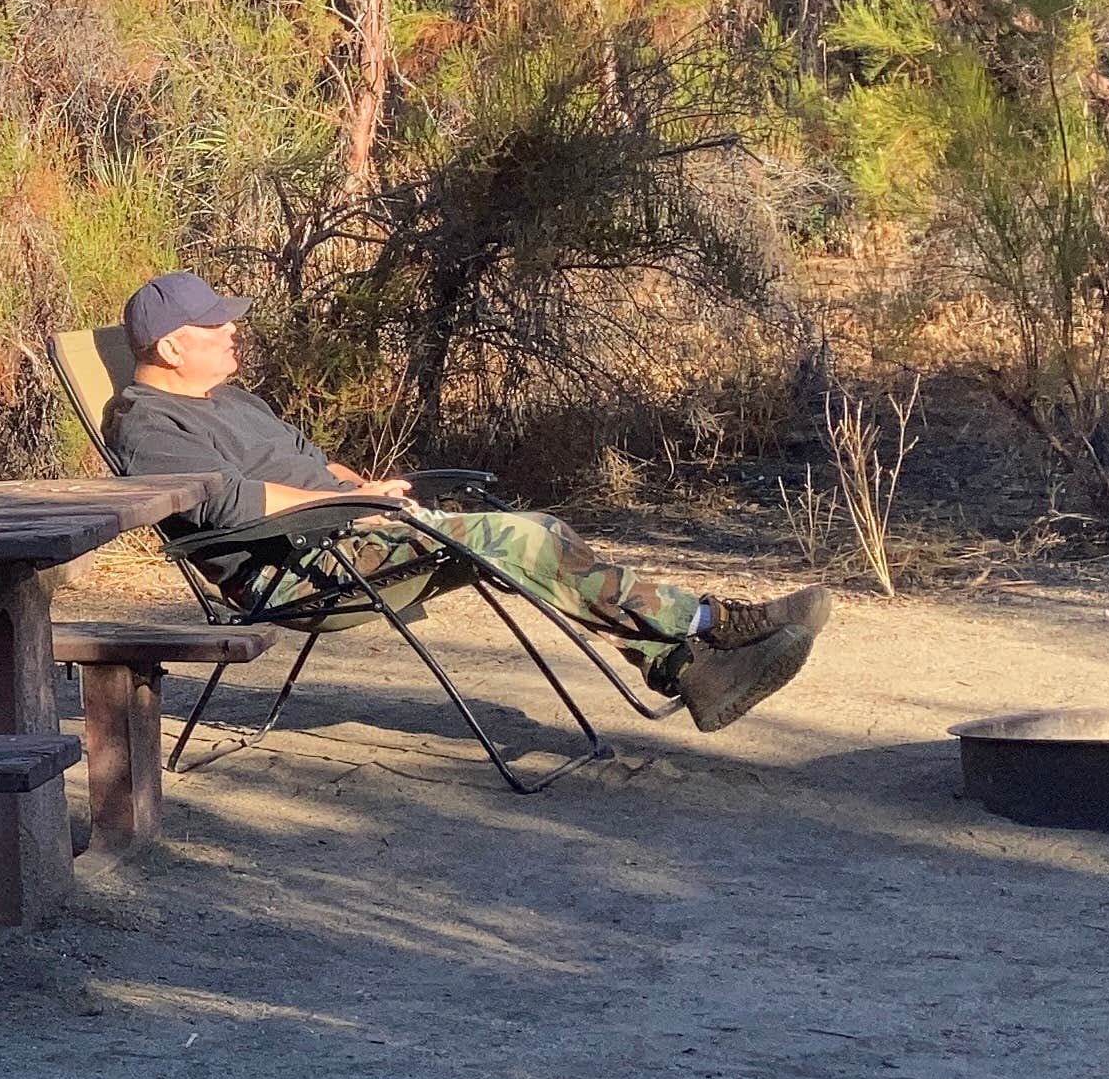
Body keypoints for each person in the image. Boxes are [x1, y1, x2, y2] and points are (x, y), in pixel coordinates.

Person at [101, 272, 826, 733]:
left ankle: (683, 668)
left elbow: (309, 459)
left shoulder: (226, 394)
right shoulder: (148, 423)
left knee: (527, 537)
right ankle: (717, 624)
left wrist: (358, 485)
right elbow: (228, 506)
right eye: (217, 327)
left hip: (345, 527)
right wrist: (349, 505)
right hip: (300, 565)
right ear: (169, 348)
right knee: (527, 538)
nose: (235, 333)